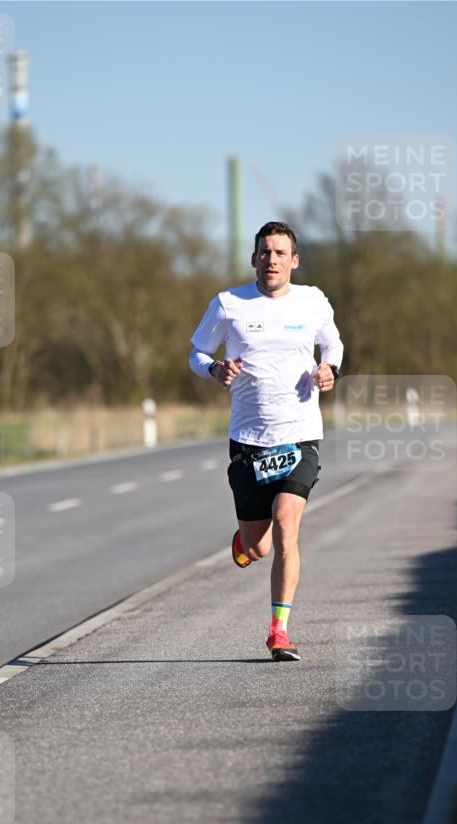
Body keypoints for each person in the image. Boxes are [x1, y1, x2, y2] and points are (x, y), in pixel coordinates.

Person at [189, 221, 344, 661]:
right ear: (254, 258)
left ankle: (279, 631)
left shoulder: (312, 301)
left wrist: (330, 369)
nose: (272, 260)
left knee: (286, 521)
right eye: (265, 252)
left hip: (299, 436)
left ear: (294, 260)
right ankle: (245, 544)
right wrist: (214, 369)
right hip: (248, 441)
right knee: (258, 545)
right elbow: (197, 352)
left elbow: (333, 346)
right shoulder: (228, 304)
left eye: (280, 253)